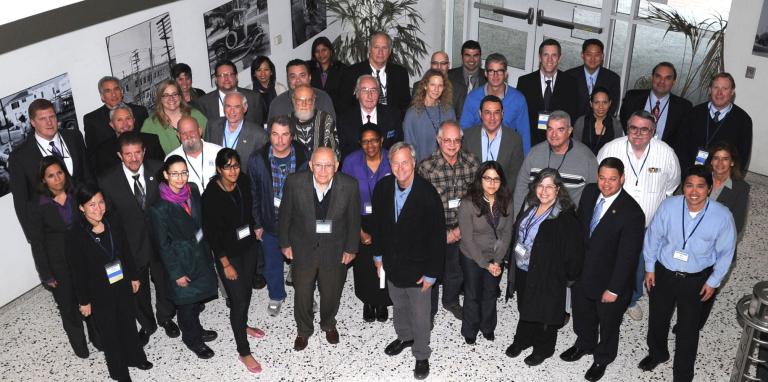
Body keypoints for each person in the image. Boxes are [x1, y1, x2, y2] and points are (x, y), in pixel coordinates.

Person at [638, 165, 736, 382]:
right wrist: (649, 267)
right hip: (664, 274)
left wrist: (713, 281)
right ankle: (657, 353)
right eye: (689, 185)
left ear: (709, 189)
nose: (694, 191)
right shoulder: (669, 206)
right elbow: (653, 238)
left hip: (696, 280)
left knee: (688, 330)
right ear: (683, 187)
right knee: (658, 318)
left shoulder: (722, 216)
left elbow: (726, 253)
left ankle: (682, 375)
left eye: (700, 186)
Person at [560, 158, 645, 382]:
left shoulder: (632, 213)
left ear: (622, 179)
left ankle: (602, 358)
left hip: (609, 282)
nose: (606, 184)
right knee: (582, 314)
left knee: (608, 325)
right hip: (582, 273)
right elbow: (581, 230)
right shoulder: (589, 192)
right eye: (602, 178)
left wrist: (614, 289)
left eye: (612, 179)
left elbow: (627, 258)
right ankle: (584, 344)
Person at [370, 142, 445, 380]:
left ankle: (421, 354)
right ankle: (404, 337)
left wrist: (432, 274)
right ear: (389, 165)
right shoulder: (382, 188)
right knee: (399, 306)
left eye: (405, 161)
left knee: (421, 315)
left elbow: (437, 238)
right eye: (395, 162)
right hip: (392, 265)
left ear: (413, 163)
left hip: (419, 270)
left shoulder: (427, 194)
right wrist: (378, 255)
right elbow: (378, 226)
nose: (400, 167)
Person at [597, 110, 680, 321]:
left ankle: (632, 300)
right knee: (609, 259)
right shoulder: (611, 148)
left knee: (638, 264)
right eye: (634, 128)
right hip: (613, 220)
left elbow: (672, 184)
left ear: (653, 131)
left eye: (645, 129)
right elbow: (600, 180)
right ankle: (607, 290)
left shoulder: (666, 153)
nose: (638, 133)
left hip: (648, 224)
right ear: (627, 127)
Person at [98, 132, 179, 346]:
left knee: (164, 281)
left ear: (144, 152)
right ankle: (146, 324)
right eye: (128, 154)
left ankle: (166, 317)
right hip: (131, 246)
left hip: (161, 240)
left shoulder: (159, 168)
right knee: (137, 287)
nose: (133, 159)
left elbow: (170, 202)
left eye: (137, 153)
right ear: (119, 155)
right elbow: (110, 219)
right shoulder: (108, 180)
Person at [278, 147, 360, 351]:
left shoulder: (349, 186)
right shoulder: (294, 183)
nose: (323, 170)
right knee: (303, 293)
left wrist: (351, 248)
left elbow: (353, 220)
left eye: (328, 165)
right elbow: (285, 215)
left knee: (331, 292)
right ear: (311, 165)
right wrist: (285, 244)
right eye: (319, 165)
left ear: (336, 166)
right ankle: (304, 330)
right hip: (302, 249)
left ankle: (328, 323)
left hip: (335, 250)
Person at [67, 184, 152, 381]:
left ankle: (135, 357)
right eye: (91, 205)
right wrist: (84, 301)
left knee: (128, 323)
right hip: (98, 292)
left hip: (121, 283)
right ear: (81, 208)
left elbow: (126, 251)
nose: (98, 208)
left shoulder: (113, 221)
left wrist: (133, 276)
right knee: (110, 333)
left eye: (101, 202)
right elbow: (77, 272)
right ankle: (119, 372)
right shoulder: (75, 235)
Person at [505, 168, 583, 367]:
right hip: (525, 269)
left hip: (549, 274)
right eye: (541, 185)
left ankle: (543, 349)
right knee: (526, 306)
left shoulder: (564, 217)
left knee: (545, 312)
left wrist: (568, 277)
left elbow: (574, 252)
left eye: (550, 186)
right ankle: (523, 339)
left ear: (558, 190)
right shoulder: (530, 205)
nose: (544, 191)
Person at [26, 157, 99, 358]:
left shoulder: (77, 193)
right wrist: (46, 274)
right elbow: (38, 243)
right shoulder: (36, 206)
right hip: (58, 264)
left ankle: (97, 338)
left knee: (90, 298)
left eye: (60, 173)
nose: (57, 179)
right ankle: (80, 346)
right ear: (43, 180)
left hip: (83, 257)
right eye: (51, 175)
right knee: (68, 306)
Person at [149, 155, 219, 359]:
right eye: (175, 173)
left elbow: (199, 222)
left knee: (196, 301)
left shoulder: (193, 189)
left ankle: (197, 329)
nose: (180, 178)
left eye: (184, 172)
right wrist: (176, 273)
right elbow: (163, 246)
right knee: (187, 305)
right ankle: (192, 340)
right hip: (181, 261)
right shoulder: (159, 208)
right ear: (165, 175)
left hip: (200, 254)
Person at [202, 149, 265, 373]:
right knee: (238, 300)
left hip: (247, 246)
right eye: (227, 167)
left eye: (236, 165)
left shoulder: (243, 181)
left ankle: (242, 325)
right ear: (219, 169)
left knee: (246, 292)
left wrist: (257, 227)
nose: (233, 171)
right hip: (227, 255)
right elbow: (212, 235)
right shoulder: (210, 196)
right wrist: (225, 264)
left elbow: (250, 209)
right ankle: (244, 351)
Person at [418, 121, 480, 322]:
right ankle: (430, 309)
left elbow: (478, 199)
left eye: (456, 140)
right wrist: (442, 234)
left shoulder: (472, 163)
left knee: (457, 270)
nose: (452, 145)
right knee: (432, 271)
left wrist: (461, 230)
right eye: (447, 140)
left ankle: (451, 301)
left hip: (463, 226)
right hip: (435, 229)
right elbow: (421, 208)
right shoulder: (426, 167)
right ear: (438, 140)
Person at [248, 116, 310, 316]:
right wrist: (257, 223)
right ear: (269, 135)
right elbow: (254, 193)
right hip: (270, 221)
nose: (280, 140)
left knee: (303, 263)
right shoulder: (257, 159)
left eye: (285, 135)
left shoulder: (304, 155)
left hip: (298, 223)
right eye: (275, 134)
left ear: (292, 136)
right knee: (272, 264)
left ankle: (306, 296)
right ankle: (276, 295)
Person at [10, 99, 92, 241]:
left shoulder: (74, 137)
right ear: (33, 122)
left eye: (52, 117)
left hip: (87, 220)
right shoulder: (20, 157)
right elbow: (21, 202)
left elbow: (88, 175)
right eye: (43, 119)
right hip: (53, 232)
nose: (49, 122)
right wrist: (34, 237)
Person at [457, 161, 513, 344]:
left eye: (496, 179)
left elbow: (507, 233)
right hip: (472, 255)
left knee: (490, 293)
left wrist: (497, 261)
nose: (491, 183)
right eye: (487, 178)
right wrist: (485, 264)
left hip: (495, 255)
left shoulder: (507, 201)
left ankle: (488, 327)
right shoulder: (467, 203)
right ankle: (470, 330)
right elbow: (467, 238)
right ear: (480, 179)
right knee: (472, 294)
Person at [340, 124, 393, 322]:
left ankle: (381, 301)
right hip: (359, 218)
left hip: (387, 219)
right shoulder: (351, 162)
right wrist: (359, 231)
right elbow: (344, 198)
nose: (370, 145)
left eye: (374, 140)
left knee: (384, 262)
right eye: (365, 141)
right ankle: (368, 301)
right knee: (363, 264)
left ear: (381, 140)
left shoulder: (392, 158)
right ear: (360, 143)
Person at [513, 110, 597, 215]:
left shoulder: (587, 158)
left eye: (560, 130)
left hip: (568, 223)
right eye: (550, 129)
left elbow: (593, 196)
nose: (554, 134)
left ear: (570, 131)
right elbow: (521, 189)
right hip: (534, 220)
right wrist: (517, 220)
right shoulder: (534, 153)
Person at [675, 72, 753, 173]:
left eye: (725, 89)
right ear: (710, 90)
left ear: (732, 92)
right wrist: (688, 174)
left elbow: (742, 157)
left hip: (722, 179)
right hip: (691, 175)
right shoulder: (693, 113)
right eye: (716, 87)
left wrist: (726, 182)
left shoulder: (743, 120)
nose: (719, 93)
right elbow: (681, 147)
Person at [459, 53, 530, 154]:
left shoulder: (518, 99)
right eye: (491, 71)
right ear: (485, 73)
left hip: (507, 156)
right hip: (476, 155)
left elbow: (524, 136)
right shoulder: (473, 98)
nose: (495, 75)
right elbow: (463, 132)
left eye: (500, 71)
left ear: (506, 74)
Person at [516, 39, 579, 145]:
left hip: (559, 142)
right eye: (546, 55)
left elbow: (572, 115)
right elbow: (520, 117)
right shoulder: (525, 82)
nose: (550, 59)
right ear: (540, 57)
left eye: (554, 55)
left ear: (559, 58)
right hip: (531, 142)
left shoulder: (570, 83)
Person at [619, 62, 692, 144]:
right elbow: (625, 126)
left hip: (665, 154)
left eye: (667, 78)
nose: (662, 81)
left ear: (674, 82)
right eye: (658, 76)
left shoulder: (684, 107)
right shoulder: (632, 98)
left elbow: (682, 138)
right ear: (652, 78)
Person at [340, 32, 411, 116]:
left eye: (384, 48)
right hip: (361, 125)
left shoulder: (400, 73)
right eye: (376, 47)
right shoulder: (352, 73)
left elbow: (405, 106)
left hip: (392, 124)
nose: (380, 52)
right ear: (369, 49)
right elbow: (344, 106)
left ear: (390, 51)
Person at [463, 95, 525, 190]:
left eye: (496, 113)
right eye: (487, 112)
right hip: (472, 196)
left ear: (502, 114)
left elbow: (515, 175)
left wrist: (500, 197)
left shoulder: (514, 139)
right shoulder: (466, 136)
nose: (492, 118)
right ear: (480, 114)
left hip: (502, 198)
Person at [337, 74, 402, 159]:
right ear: (357, 93)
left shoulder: (393, 115)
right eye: (365, 90)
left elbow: (398, 148)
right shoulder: (344, 119)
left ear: (379, 93)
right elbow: (343, 153)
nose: (369, 95)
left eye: (373, 90)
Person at [90, 105, 164, 176]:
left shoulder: (152, 141)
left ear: (134, 120)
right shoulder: (103, 150)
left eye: (128, 118)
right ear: (112, 124)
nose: (125, 124)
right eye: (119, 120)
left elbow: (162, 168)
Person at [140, 79, 209, 155]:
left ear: (180, 97)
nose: (171, 98)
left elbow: (211, 139)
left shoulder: (196, 115)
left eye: (174, 94)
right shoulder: (150, 124)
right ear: (160, 99)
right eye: (166, 95)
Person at [83, 76, 149, 153]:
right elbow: (92, 153)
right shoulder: (92, 120)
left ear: (122, 92)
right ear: (102, 96)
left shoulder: (140, 112)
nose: (113, 94)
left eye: (116, 89)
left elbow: (148, 142)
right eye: (108, 91)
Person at [404, 69, 456, 162]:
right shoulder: (412, 114)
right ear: (425, 86)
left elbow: (455, 142)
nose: (436, 89)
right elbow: (409, 148)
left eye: (440, 86)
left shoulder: (449, 111)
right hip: (422, 169)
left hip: (447, 168)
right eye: (433, 85)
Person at [195, 60, 265, 125]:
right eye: (222, 75)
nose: (226, 78)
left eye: (230, 74)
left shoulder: (253, 98)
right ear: (216, 79)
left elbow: (259, 129)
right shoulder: (204, 103)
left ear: (236, 76)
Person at [565, 39, 621, 120]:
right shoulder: (569, 76)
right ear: (582, 55)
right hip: (573, 127)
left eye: (597, 55)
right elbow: (565, 105)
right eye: (589, 54)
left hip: (601, 128)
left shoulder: (613, 79)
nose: (593, 58)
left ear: (602, 56)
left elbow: (612, 107)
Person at [204, 91, 268, 161]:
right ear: (223, 108)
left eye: (237, 107)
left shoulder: (259, 135)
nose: (232, 111)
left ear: (245, 108)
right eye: (228, 106)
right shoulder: (212, 126)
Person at [166, 116, 223, 192]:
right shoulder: (171, 159)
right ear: (178, 136)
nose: (188, 136)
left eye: (192, 131)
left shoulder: (218, 152)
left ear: (200, 131)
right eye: (184, 133)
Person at [267, 59, 337, 121]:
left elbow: (332, 129)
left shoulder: (323, 98)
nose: (298, 81)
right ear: (288, 79)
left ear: (309, 77)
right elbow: (272, 133)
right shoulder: (277, 104)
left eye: (302, 75)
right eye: (293, 76)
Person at [571, 86, 624, 155]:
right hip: (583, 162)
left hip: (607, 164)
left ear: (610, 103)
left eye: (604, 102)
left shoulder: (616, 125)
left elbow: (617, 150)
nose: (601, 107)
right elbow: (575, 148)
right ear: (591, 103)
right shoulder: (581, 122)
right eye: (596, 102)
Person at [289, 84, 339, 157]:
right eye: (300, 100)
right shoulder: (286, 122)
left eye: (308, 100)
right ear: (293, 101)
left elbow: (334, 152)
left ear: (314, 101)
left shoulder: (325, 120)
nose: (304, 104)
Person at [447, 40, 486, 119]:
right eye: (467, 55)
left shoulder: (488, 77)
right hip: (454, 125)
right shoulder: (449, 77)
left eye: (475, 55)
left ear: (480, 57)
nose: (471, 60)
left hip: (480, 127)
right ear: (461, 56)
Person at [309, 36, 348, 113]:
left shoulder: (342, 69)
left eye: (324, 50)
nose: (321, 54)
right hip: (315, 113)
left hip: (337, 112)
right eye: (317, 51)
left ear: (330, 51)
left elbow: (345, 98)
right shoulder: (309, 69)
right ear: (314, 54)